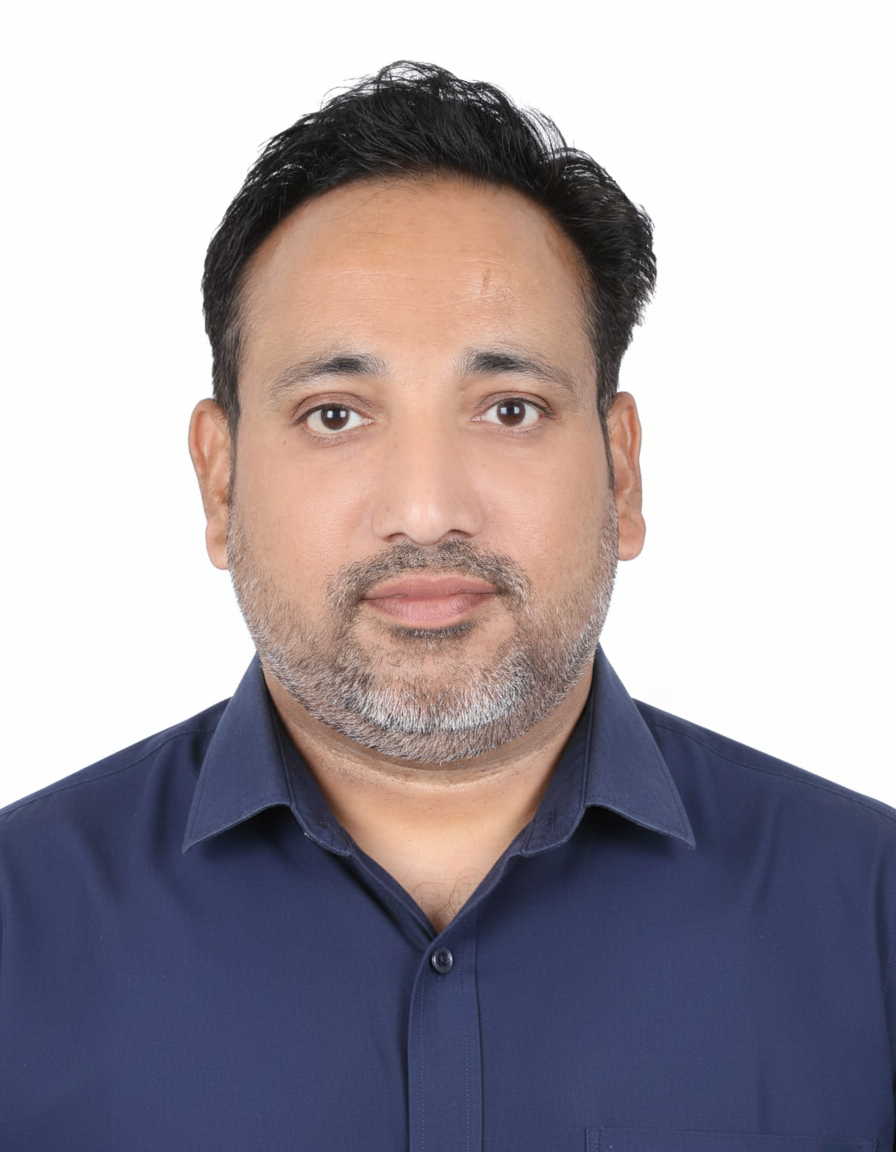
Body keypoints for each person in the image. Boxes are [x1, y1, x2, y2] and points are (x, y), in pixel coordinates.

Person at [1, 61, 893, 1150]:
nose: (425, 509)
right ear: (219, 482)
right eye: (335, 414)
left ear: (621, 471)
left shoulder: (871, 915)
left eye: (508, 408)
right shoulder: (19, 924)